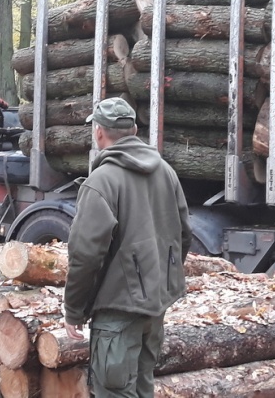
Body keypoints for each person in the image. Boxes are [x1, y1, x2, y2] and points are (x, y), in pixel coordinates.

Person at [63, 97, 193, 398]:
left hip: (117, 312)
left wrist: (74, 310)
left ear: (98, 133)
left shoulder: (101, 181)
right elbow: (184, 234)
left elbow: (85, 256)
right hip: (153, 310)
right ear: (134, 129)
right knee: (143, 388)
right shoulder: (165, 171)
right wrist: (156, 283)